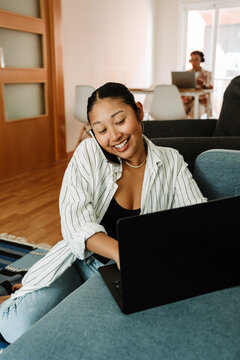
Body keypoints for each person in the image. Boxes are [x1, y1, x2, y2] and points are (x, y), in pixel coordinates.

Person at [0, 82, 207, 344]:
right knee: (18, 327)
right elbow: (75, 224)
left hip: (134, 274)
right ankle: (26, 292)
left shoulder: (171, 160)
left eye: (120, 121)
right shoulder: (89, 153)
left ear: (139, 112)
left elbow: (197, 216)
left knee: (122, 333)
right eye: (101, 130)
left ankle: (38, 290)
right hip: (82, 263)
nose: (115, 136)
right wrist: (122, 253)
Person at [182, 50, 213, 118]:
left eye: (196, 59)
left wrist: (203, 84)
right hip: (187, 101)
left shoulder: (207, 74)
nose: (193, 62)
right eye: (192, 59)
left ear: (201, 60)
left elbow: (210, 87)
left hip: (201, 102)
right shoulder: (186, 73)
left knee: (195, 113)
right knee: (178, 112)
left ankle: (193, 128)